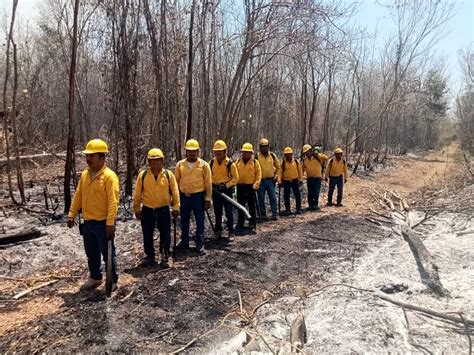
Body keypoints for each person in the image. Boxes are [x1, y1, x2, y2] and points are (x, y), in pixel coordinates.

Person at [67, 139, 120, 291]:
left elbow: (113, 201)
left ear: (102, 157)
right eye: (87, 156)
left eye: (92, 156)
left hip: (103, 223)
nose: (88, 159)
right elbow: (78, 196)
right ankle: (95, 277)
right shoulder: (85, 175)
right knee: (91, 253)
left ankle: (113, 280)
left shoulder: (109, 177)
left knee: (108, 253)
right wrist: (72, 214)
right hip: (88, 222)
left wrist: (110, 222)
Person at [133, 148, 180, 268]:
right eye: (152, 161)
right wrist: (137, 208)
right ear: (148, 161)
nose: (154, 163)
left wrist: (176, 207)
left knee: (165, 234)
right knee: (147, 234)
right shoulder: (143, 175)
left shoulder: (169, 175)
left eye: (157, 160)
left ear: (162, 161)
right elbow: (137, 193)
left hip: (163, 209)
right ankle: (150, 256)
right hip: (147, 210)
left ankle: (165, 256)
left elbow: (175, 192)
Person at [175, 139, 212, 254]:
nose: (191, 153)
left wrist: (208, 199)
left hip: (198, 197)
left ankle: (200, 243)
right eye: (189, 151)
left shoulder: (204, 165)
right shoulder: (180, 164)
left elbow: (208, 183)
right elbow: (175, 182)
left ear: (198, 151)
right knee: (184, 220)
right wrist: (175, 199)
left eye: (194, 151)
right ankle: (184, 241)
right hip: (184, 197)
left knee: (200, 221)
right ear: (186, 151)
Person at [210, 140, 239, 241]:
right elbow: (208, 177)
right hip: (215, 190)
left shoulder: (230, 163)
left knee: (229, 212)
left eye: (220, 151)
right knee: (217, 212)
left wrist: (227, 185)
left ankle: (231, 232)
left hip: (227, 190)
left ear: (224, 151)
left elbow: (235, 178)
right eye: (216, 151)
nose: (218, 153)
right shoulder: (212, 162)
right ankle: (218, 231)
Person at [235, 143, 262, 234]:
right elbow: (234, 174)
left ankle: (252, 223)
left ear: (251, 153)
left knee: (252, 206)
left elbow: (258, 174)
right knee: (240, 206)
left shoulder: (255, 162)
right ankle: (240, 222)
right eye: (244, 152)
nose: (245, 154)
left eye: (248, 152)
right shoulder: (238, 162)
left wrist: (256, 184)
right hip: (240, 187)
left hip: (250, 187)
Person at [256, 138, 280, 220]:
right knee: (261, 198)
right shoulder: (256, 156)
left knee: (273, 197)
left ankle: (274, 214)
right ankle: (263, 215)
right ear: (260, 147)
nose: (264, 148)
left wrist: (276, 176)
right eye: (263, 146)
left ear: (268, 146)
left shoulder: (272, 156)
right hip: (261, 181)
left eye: (266, 146)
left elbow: (278, 167)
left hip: (270, 181)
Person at [302, 144, 329, 211]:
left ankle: (315, 205)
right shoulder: (305, 160)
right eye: (305, 153)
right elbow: (302, 169)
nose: (307, 154)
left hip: (317, 178)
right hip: (309, 178)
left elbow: (326, 158)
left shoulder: (317, 157)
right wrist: (301, 178)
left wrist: (318, 154)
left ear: (311, 151)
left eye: (308, 152)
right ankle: (310, 205)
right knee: (310, 192)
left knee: (316, 192)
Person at [278, 147, 303, 215]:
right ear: (285, 155)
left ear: (292, 154)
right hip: (286, 181)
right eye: (286, 154)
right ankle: (288, 210)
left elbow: (300, 171)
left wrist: (301, 179)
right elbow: (280, 172)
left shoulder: (296, 162)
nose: (288, 155)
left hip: (295, 181)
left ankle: (298, 209)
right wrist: (279, 181)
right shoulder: (283, 163)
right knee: (286, 196)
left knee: (297, 195)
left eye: (289, 154)